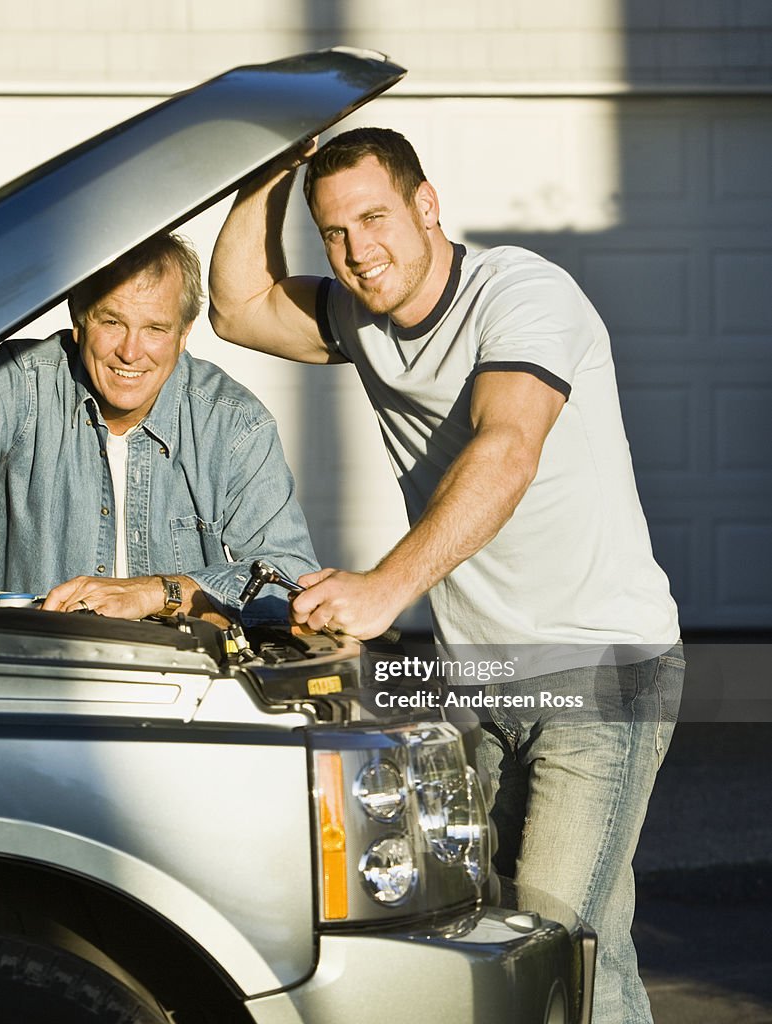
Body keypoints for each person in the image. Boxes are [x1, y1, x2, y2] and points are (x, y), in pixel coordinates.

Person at [209, 127, 683, 1024]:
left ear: (427, 205)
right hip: (484, 676)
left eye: (375, 218)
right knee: (577, 944)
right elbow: (237, 308)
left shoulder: (522, 296)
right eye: (335, 231)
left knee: (543, 943)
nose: (357, 250)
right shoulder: (359, 315)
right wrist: (269, 170)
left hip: (600, 667)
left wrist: (385, 588)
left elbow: (506, 447)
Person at [0, 233, 317, 625]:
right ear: (79, 321)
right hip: (31, 679)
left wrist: (157, 593)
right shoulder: (26, 380)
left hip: (181, 692)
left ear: (184, 333)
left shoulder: (233, 423)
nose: (131, 352)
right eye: (113, 321)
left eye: (155, 329)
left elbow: (290, 575)